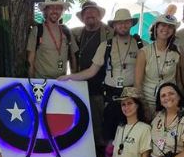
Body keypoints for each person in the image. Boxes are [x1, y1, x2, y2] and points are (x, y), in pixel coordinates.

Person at [60, 8, 143, 148]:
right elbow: (91, 71)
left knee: (131, 132)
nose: (123, 25)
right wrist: (70, 77)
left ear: (131, 23)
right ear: (114, 25)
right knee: (109, 133)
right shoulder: (106, 45)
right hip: (111, 95)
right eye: (119, 23)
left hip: (131, 94)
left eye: (126, 22)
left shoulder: (141, 45)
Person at [70, 1, 112, 157]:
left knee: (100, 125)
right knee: (82, 122)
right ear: (82, 17)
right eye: (86, 13)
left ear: (99, 15)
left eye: (93, 12)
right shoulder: (76, 33)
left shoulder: (108, 32)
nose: (90, 15)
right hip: (81, 86)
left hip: (101, 87)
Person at [135, 14, 184, 117]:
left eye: (170, 26)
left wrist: (178, 104)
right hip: (149, 103)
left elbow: (179, 81)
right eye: (163, 25)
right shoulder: (144, 52)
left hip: (170, 103)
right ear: (156, 28)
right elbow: (137, 84)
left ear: (173, 31)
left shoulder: (178, 51)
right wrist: (144, 108)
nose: (166, 29)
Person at [27, 0, 78, 78]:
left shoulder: (67, 31)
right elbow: (30, 59)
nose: (55, 11)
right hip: (42, 81)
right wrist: (32, 81)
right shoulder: (37, 30)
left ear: (62, 11)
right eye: (51, 7)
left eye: (58, 8)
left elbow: (73, 56)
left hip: (62, 80)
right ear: (45, 11)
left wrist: (73, 78)